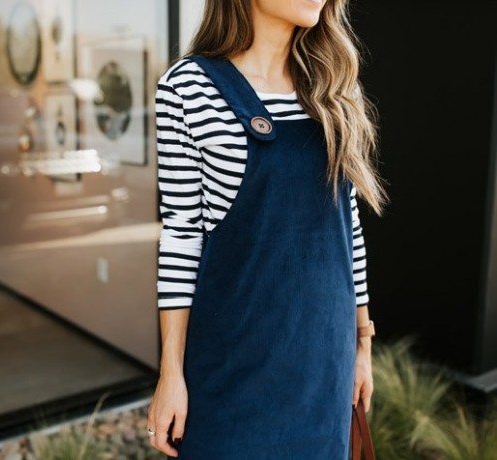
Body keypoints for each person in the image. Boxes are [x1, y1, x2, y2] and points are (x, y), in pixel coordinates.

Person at [147, 0, 387, 458]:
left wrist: (361, 345)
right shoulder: (188, 88)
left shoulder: (335, 90)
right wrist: (171, 374)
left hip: (324, 364)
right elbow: (181, 237)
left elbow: (348, 231)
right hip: (230, 364)